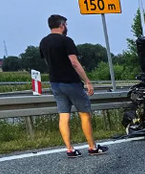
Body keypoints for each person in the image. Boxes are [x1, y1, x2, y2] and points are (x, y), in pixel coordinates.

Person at [38, 14, 107, 158]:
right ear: (62, 25)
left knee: (64, 116)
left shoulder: (43, 42)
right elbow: (74, 62)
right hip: (71, 82)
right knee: (85, 114)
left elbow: (47, 62)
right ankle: (92, 146)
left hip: (55, 83)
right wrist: (87, 81)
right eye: (66, 24)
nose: (66, 27)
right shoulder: (66, 41)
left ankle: (70, 149)